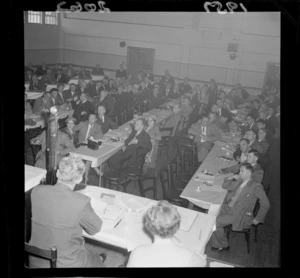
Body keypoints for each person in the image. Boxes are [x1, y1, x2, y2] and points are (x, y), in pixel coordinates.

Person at [29, 156, 106, 268]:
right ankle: (97, 260)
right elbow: (95, 229)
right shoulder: (81, 201)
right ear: (79, 179)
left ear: (57, 173)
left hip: (36, 261)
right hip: (66, 263)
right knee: (91, 255)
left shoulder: (36, 191)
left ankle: (96, 259)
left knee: (89, 253)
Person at [127, 200, 207, 267]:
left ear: (149, 227)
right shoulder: (187, 255)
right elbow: (203, 262)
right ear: (177, 227)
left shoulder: (137, 253)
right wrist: (181, 244)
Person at [210, 163, 270, 252]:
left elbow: (266, 204)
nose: (239, 172)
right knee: (211, 212)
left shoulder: (255, 186)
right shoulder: (240, 181)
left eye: (242, 171)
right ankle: (216, 236)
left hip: (239, 214)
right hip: (228, 207)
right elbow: (225, 186)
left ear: (249, 173)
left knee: (215, 222)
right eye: (240, 170)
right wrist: (230, 178)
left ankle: (223, 244)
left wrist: (257, 219)